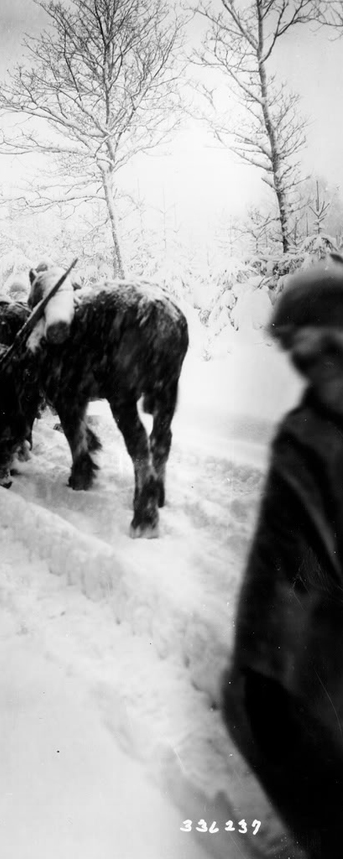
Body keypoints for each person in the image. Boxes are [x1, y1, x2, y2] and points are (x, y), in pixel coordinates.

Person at [222, 253, 343, 859]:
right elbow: (283, 559)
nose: (301, 360)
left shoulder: (311, 435)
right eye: (293, 347)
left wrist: (262, 672)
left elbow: (282, 561)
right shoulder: (307, 434)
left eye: (310, 344)